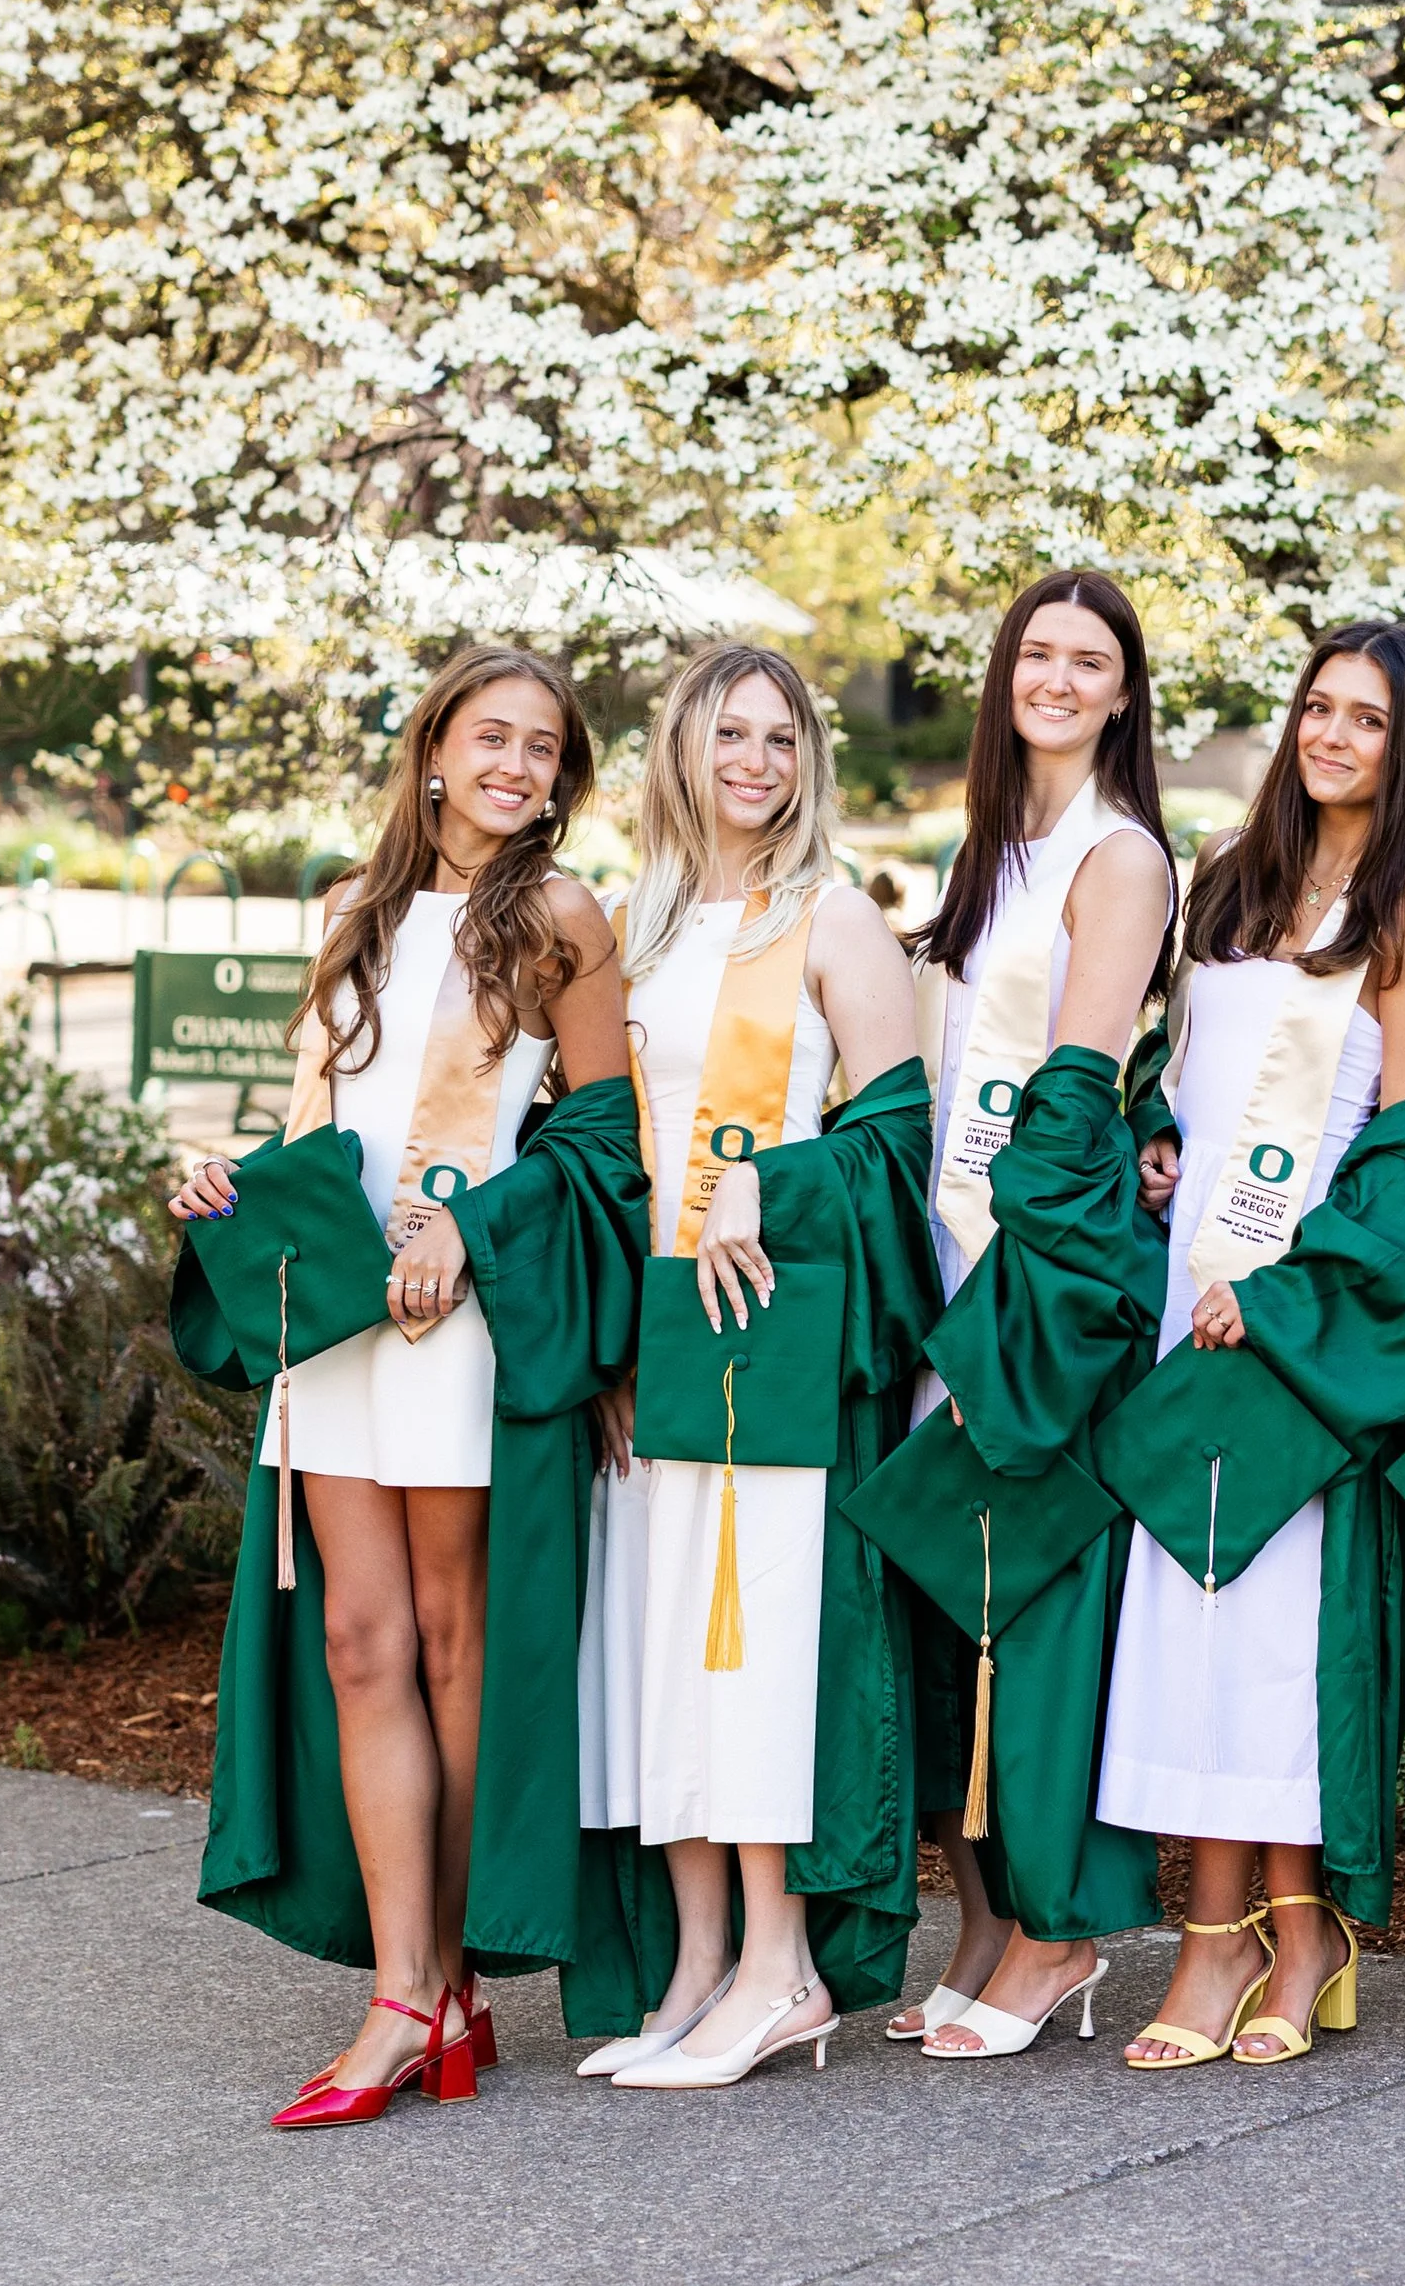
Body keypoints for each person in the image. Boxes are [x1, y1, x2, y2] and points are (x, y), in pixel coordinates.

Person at [168, 647, 641, 2127]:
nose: (515, 765)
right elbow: (324, 1126)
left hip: (461, 1321)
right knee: (360, 1647)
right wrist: (231, 1178)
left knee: (452, 1641)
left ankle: (430, 1988)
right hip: (340, 1327)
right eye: (490, 735)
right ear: (432, 747)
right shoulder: (351, 914)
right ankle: (411, 1983)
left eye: (544, 748)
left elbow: (606, 1144)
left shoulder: (561, 917)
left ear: (563, 779)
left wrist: (470, 1225)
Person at [573, 643, 941, 2091]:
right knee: (667, 1650)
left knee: (755, 1645)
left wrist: (768, 1184)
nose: (756, 761)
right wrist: (607, 1340)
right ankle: (696, 1965)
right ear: (683, 746)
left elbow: (896, 1139)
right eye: (732, 733)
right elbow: (600, 1153)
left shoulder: (836, 917)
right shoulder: (636, 927)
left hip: (770, 1337)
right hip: (661, 1340)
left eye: (782, 738)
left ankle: (784, 1966)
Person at [1102, 624, 1405, 2069]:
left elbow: (1404, 1152)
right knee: (1183, 1623)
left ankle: (1299, 1929)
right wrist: (1153, 1139)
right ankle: (1215, 1939)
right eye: (1318, 707)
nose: (1332, 735)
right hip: (1188, 1299)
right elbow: (1168, 1072)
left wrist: (1292, 1288)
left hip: (1301, 1311)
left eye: (1368, 719)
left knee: (1270, 1638)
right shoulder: (1229, 884)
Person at [873, 570, 1177, 2061]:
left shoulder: (1116, 858)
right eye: (1035, 653)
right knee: (959, 1595)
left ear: (1124, 691)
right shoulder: (990, 846)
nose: (1056, 677)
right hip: (949, 1251)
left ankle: (1059, 1931)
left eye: (1089, 659)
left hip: (1037, 1268)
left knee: (1037, 1604)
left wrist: (1023, 1281)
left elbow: (1080, 1080)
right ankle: (986, 1916)